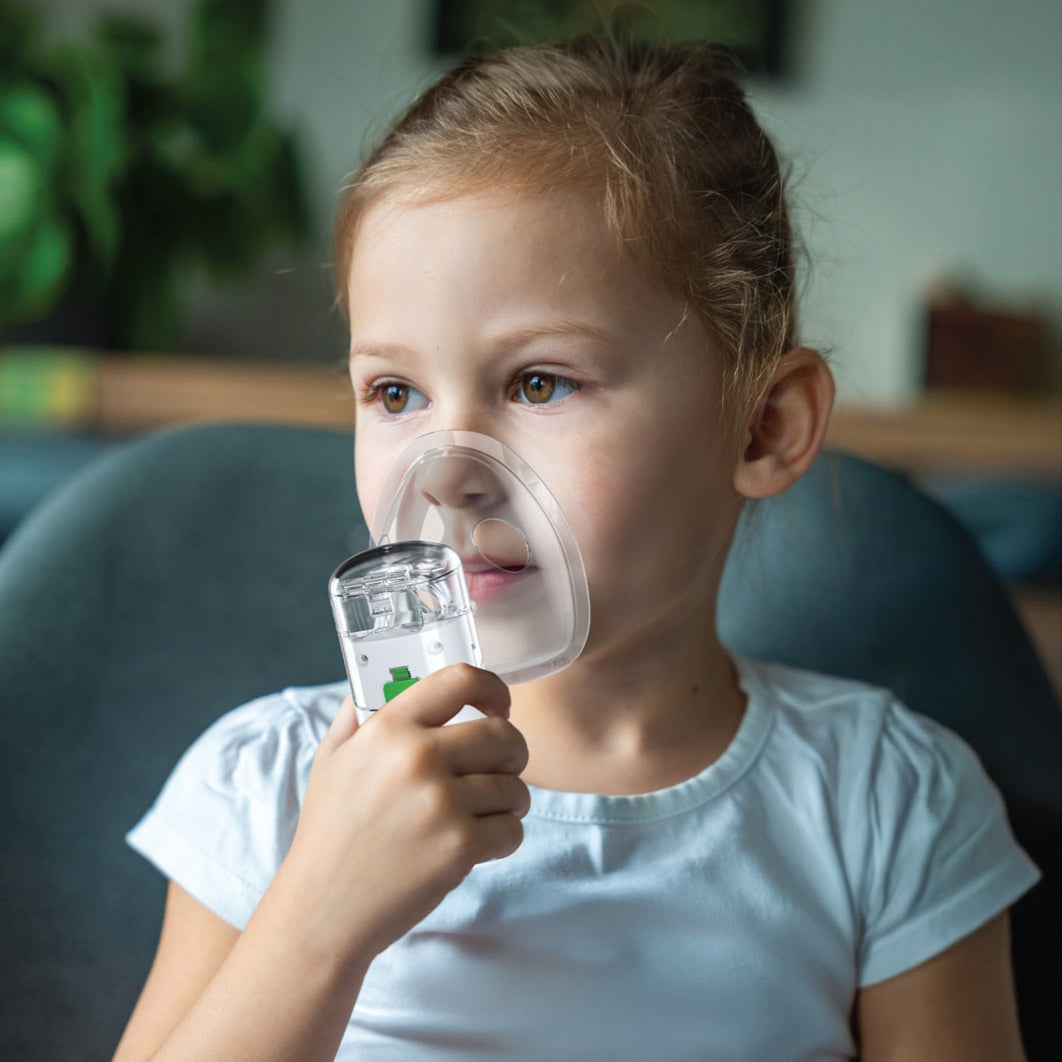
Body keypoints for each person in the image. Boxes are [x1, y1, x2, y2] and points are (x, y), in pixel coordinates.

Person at [113, 38, 1038, 1062]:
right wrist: (318, 917)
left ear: (762, 427)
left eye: (539, 382)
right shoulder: (271, 789)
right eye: (394, 393)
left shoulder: (884, 805)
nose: (446, 471)